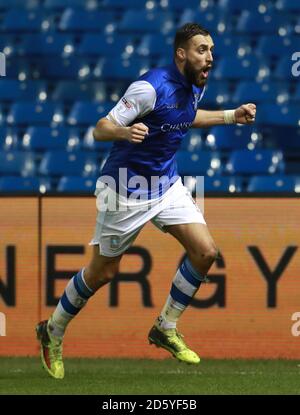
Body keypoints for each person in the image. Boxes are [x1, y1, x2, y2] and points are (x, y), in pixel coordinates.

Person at [36, 23, 256, 379]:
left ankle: (165, 327)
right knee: (103, 272)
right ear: (180, 53)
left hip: (167, 185)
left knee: (206, 252)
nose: (210, 57)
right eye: (202, 50)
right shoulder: (148, 87)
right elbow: (100, 127)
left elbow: (185, 118)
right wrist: (125, 131)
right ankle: (52, 329)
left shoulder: (196, 82)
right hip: (124, 190)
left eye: (212, 50)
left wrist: (231, 116)